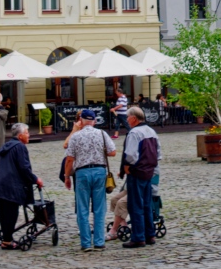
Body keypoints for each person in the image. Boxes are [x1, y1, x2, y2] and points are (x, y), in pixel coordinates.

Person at [63, 109, 116, 251]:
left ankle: (86, 243)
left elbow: (69, 159)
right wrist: (98, 151)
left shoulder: (76, 137)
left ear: (81, 121)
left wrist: (67, 176)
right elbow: (112, 152)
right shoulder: (102, 134)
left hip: (82, 173)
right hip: (99, 171)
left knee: (82, 208)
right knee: (99, 208)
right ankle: (99, 242)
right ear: (94, 121)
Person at [0, 122, 43, 250]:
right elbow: (24, 168)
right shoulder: (20, 147)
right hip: (9, 186)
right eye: (26, 133)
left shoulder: (6, 146)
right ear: (20, 136)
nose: (29, 135)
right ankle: (7, 241)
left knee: (3, 213)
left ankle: (6, 239)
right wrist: (36, 179)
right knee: (11, 214)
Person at [120, 106, 161, 248]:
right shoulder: (152, 132)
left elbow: (131, 154)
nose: (126, 120)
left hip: (137, 171)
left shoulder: (134, 133)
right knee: (147, 204)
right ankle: (150, 234)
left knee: (135, 205)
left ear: (134, 118)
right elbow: (158, 153)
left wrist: (127, 166)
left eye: (127, 117)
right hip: (149, 171)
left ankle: (138, 236)